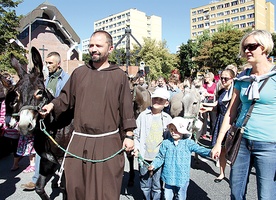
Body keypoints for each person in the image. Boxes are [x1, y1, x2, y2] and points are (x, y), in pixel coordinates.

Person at [40, 30, 136, 200]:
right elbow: (65, 98)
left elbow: (126, 108)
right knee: (75, 187)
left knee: (105, 191)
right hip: (80, 140)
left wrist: (128, 135)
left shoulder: (119, 76)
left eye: (99, 45)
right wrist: (51, 106)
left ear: (110, 48)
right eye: (91, 45)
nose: (93, 49)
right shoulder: (79, 73)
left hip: (108, 142)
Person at [211, 30, 276, 199]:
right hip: (241, 140)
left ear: (264, 47)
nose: (246, 51)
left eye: (251, 46)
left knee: (267, 195)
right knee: (236, 192)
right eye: (244, 47)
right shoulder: (242, 78)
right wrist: (219, 143)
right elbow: (231, 113)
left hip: (269, 144)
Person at [21, 52, 70, 190]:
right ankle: (36, 179)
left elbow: (66, 100)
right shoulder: (45, 79)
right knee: (40, 149)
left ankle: (62, 177)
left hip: (61, 119)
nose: (47, 65)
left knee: (61, 151)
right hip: (45, 119)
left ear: (58, 63)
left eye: (50, 63)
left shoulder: (66, 79)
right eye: (46, 63)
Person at [148, 117, 211, 200]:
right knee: (167, 197)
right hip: (168, 176)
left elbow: (199, 149)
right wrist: (153, 165)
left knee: (181, 196)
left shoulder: (188, 143)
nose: (173, 132)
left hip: (182, 177)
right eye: (171, 129)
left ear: (183, 130)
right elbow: (160, 157)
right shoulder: (166, 143)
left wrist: (210, 152)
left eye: (176, 129)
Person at [133, 87, 172, 200]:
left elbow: (170, 139)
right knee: (144, 184)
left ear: (166, 103)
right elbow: (136, 134)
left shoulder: (167, 119)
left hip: (159, 158)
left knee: (157, 185)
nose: (157, 101)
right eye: (155, 98)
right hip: (144, 156)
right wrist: (136, 148)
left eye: (161, 99)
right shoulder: (142, 116)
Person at [201, 68, 235, 183]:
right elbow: (217, 106)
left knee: (234, 151)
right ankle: (221, 173)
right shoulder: (221, 91)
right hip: (220, 120)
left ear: (232, 79)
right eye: (222, 78)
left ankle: (235, 176)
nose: (223, 80)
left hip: (232, 122)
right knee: (222, 149)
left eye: (226, 78)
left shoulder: (236, 92)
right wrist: (205, 108)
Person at [201, 72, 217, 140]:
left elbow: (216, 94)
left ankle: (212, 134)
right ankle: (203, 133)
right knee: (204, 118)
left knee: (212, 119)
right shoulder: (204, 85)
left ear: (210, 78)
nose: (205, 79)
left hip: (212, 101)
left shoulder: (215, 85)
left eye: (206, 77)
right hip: (205, 102)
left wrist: (209, 95)